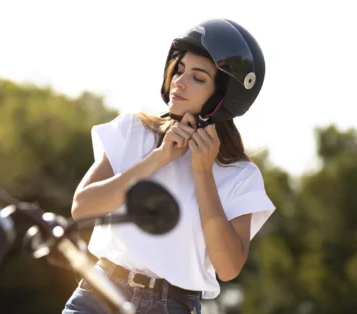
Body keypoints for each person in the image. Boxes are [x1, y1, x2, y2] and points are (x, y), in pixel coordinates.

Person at [62, 18, 275, 314]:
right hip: (97, 295)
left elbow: (227, 268)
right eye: (180, 69)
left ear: (224, 97)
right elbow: (82, 207)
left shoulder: (241, 175)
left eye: (198, 77)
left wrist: (203, 173)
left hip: (173, 306)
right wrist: (158, 158)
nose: (179, 81)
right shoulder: (132, 131)